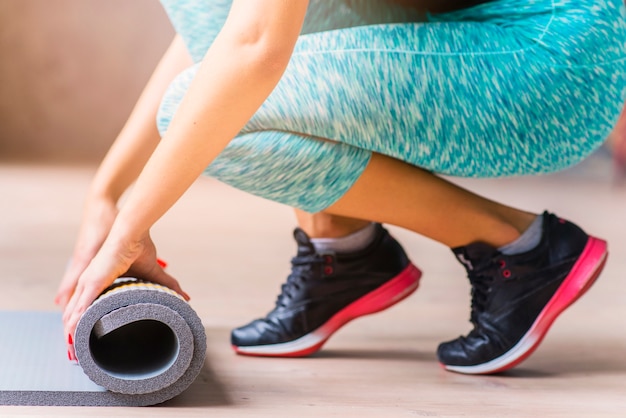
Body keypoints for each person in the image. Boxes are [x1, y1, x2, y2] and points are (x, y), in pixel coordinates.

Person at [55, 0, 626, 375]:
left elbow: (252, 47)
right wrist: (105, 197)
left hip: (550, 57)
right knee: (207, 30)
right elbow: (220, 28)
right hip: (495, 33)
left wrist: (128, 232)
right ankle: (344, 249)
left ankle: (520, 248)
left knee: (207, 115)